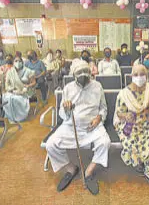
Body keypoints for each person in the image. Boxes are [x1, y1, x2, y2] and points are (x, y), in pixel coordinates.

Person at [45, 60, 111, 195]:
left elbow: (103, 108)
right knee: (51, 145)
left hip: (93, 126)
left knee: (105, 143)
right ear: (74, 74)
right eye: (79, 72)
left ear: (90, 71)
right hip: (71, 125)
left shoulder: (97, 86)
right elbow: (62, 115)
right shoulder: (68, 88)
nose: (83, 75)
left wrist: (99, 118)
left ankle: (88, 172)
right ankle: (71, 169)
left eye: (85, 71)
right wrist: (66, 108)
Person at [113, 64, 149, 195]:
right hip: (128, 125)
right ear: (131, 76)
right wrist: (125, 116)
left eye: (142, 74)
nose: (139, 77)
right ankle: (138, 163)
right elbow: (119, 113)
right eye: (136, 74)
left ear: (147, 76)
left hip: (146, 124)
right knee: (130, 143)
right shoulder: (124, 94)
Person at [3, 56, 36, 122]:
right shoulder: (10, 71)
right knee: (6, 97)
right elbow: (7, 84)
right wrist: (12, 90)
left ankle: (20, 116)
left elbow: (34, 82)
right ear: (13, 62)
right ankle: (11, 117)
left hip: (26, 90)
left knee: (16, 99)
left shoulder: (28, 71)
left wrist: (28, 86)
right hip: (13, 90)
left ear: (22, 62)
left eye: (19, 61)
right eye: (16, 61)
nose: (18, 63)